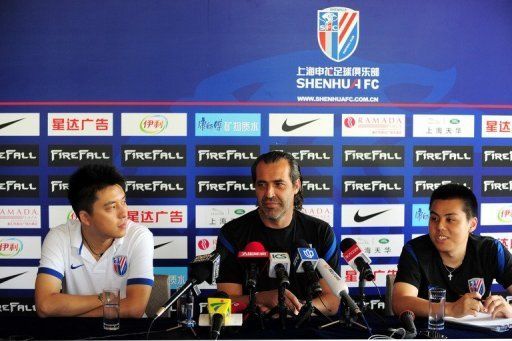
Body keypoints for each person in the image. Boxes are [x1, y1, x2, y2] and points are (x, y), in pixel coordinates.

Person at [215, 151, 340, 316]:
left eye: (279, 184)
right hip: (251, 331)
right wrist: (260, 298)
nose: (269, 193)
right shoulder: (232, 233)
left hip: (307, 328)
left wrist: (295, 309)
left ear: (296, 186)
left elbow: (333, 301)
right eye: (262, 184)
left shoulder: (320, 232)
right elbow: (222, 303)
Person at [35, 164, 154, 317]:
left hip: (125, 334)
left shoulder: (139, 236)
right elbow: (45, 305)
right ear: (85, 217)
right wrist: (107, 298)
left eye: (123, 201)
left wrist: (77, 321)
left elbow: (134, 308)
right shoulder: (59, 237)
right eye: (112, 207)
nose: (124, 212)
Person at [393, 183, 512, 318]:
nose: (440, 226)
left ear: (472, 224)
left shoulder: (491, 249)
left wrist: (509, 309)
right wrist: (451, 309)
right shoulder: (415, 250)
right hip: (429, 334)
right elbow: (400, 302)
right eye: (434, 218)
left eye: (450, 219)